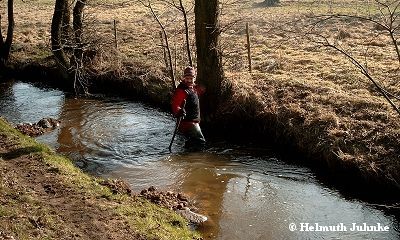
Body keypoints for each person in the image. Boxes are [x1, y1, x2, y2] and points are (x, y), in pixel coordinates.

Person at [171, 66, 206, 150]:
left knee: (191, 142)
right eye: (187, 78)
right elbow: (175, 105)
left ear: (194, 78)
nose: (189, 80)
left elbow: (196, 94)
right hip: (188, 122)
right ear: (184, 78)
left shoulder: (193, 88)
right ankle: (195, 160)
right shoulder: (181, 90)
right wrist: (179, 111)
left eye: (191, 78)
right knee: (200, 141)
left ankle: (187, 157)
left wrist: (203, 89)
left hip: (193, 121)